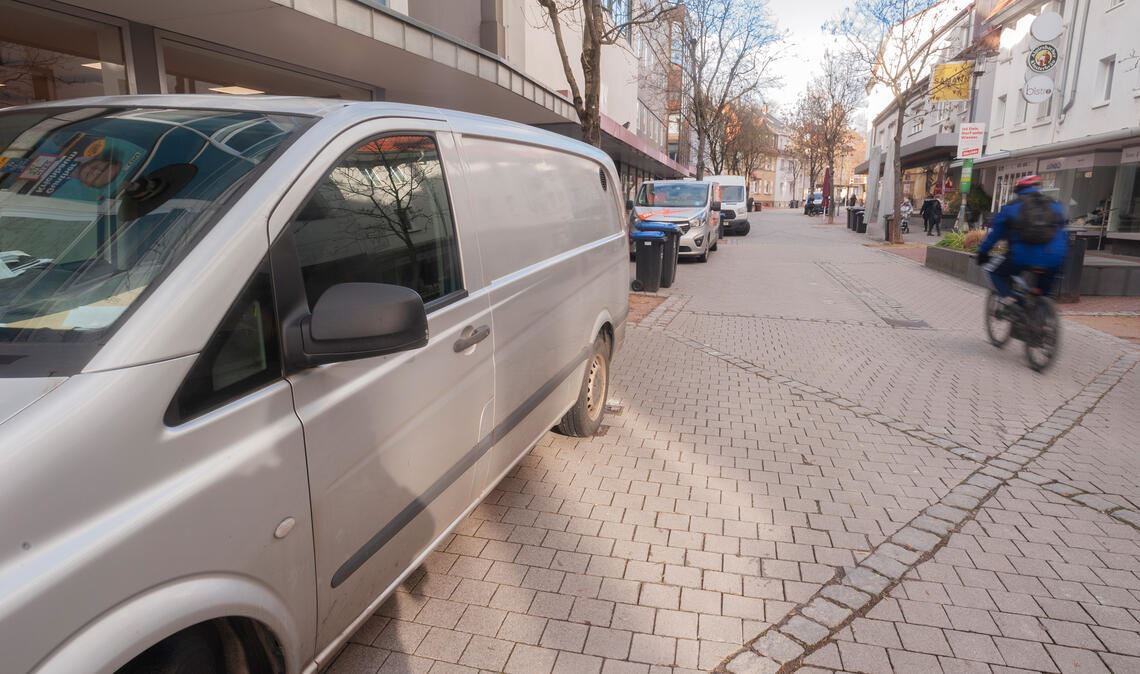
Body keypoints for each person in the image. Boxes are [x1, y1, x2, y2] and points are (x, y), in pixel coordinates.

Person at [975, 175, 1068, 303]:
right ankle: (1043, 311)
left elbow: (995, 234)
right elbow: (1063, 231)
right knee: (1041, 294)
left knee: (994, 272)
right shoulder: (1055, 205)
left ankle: (1011, 300)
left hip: (1021, 257)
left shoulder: (1011, 207)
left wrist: (983, 252)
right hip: (1054, 257)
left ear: (1018, 190)